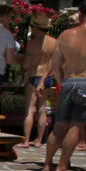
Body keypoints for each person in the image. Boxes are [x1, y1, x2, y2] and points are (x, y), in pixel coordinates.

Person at [42, 0, 86, 171]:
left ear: (80, 13)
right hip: (85, 83)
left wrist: (62, 82)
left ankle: (47, 164)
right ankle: (62, 167)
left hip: (68, 82)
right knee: (76, 125)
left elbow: (56, 64)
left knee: (59, 125)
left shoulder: (65, 35)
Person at [19, 16, 57, 148]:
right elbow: (54, 63)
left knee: (29, 109)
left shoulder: (32, 44)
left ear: (36, 28)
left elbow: (26, 65)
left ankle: (26, 140)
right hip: (46, 77)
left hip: (34, 75)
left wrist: (20, 59)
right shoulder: (54, 42)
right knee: (42, 109)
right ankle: (39, 140)